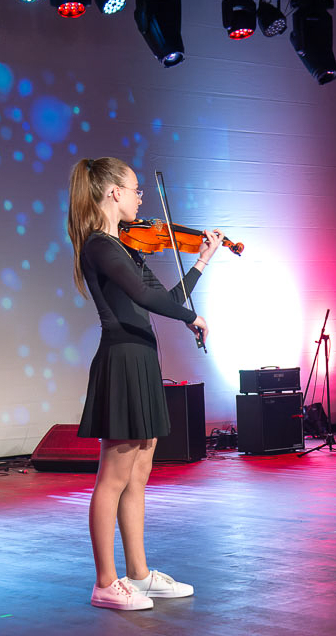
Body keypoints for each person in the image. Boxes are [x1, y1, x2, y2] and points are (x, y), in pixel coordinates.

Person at [67, 156, 223, 610]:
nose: (141, 198)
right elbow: (144, 296)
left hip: (142, 359)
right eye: (136, 189)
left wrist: (202, 261)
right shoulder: (100, 246)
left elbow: (165, 298)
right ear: (113, 193)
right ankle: (105, 582)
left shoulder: (127, 248)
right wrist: (191, 316)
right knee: (112, 477)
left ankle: (138, 574)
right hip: (121, 360)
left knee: (138, 475)